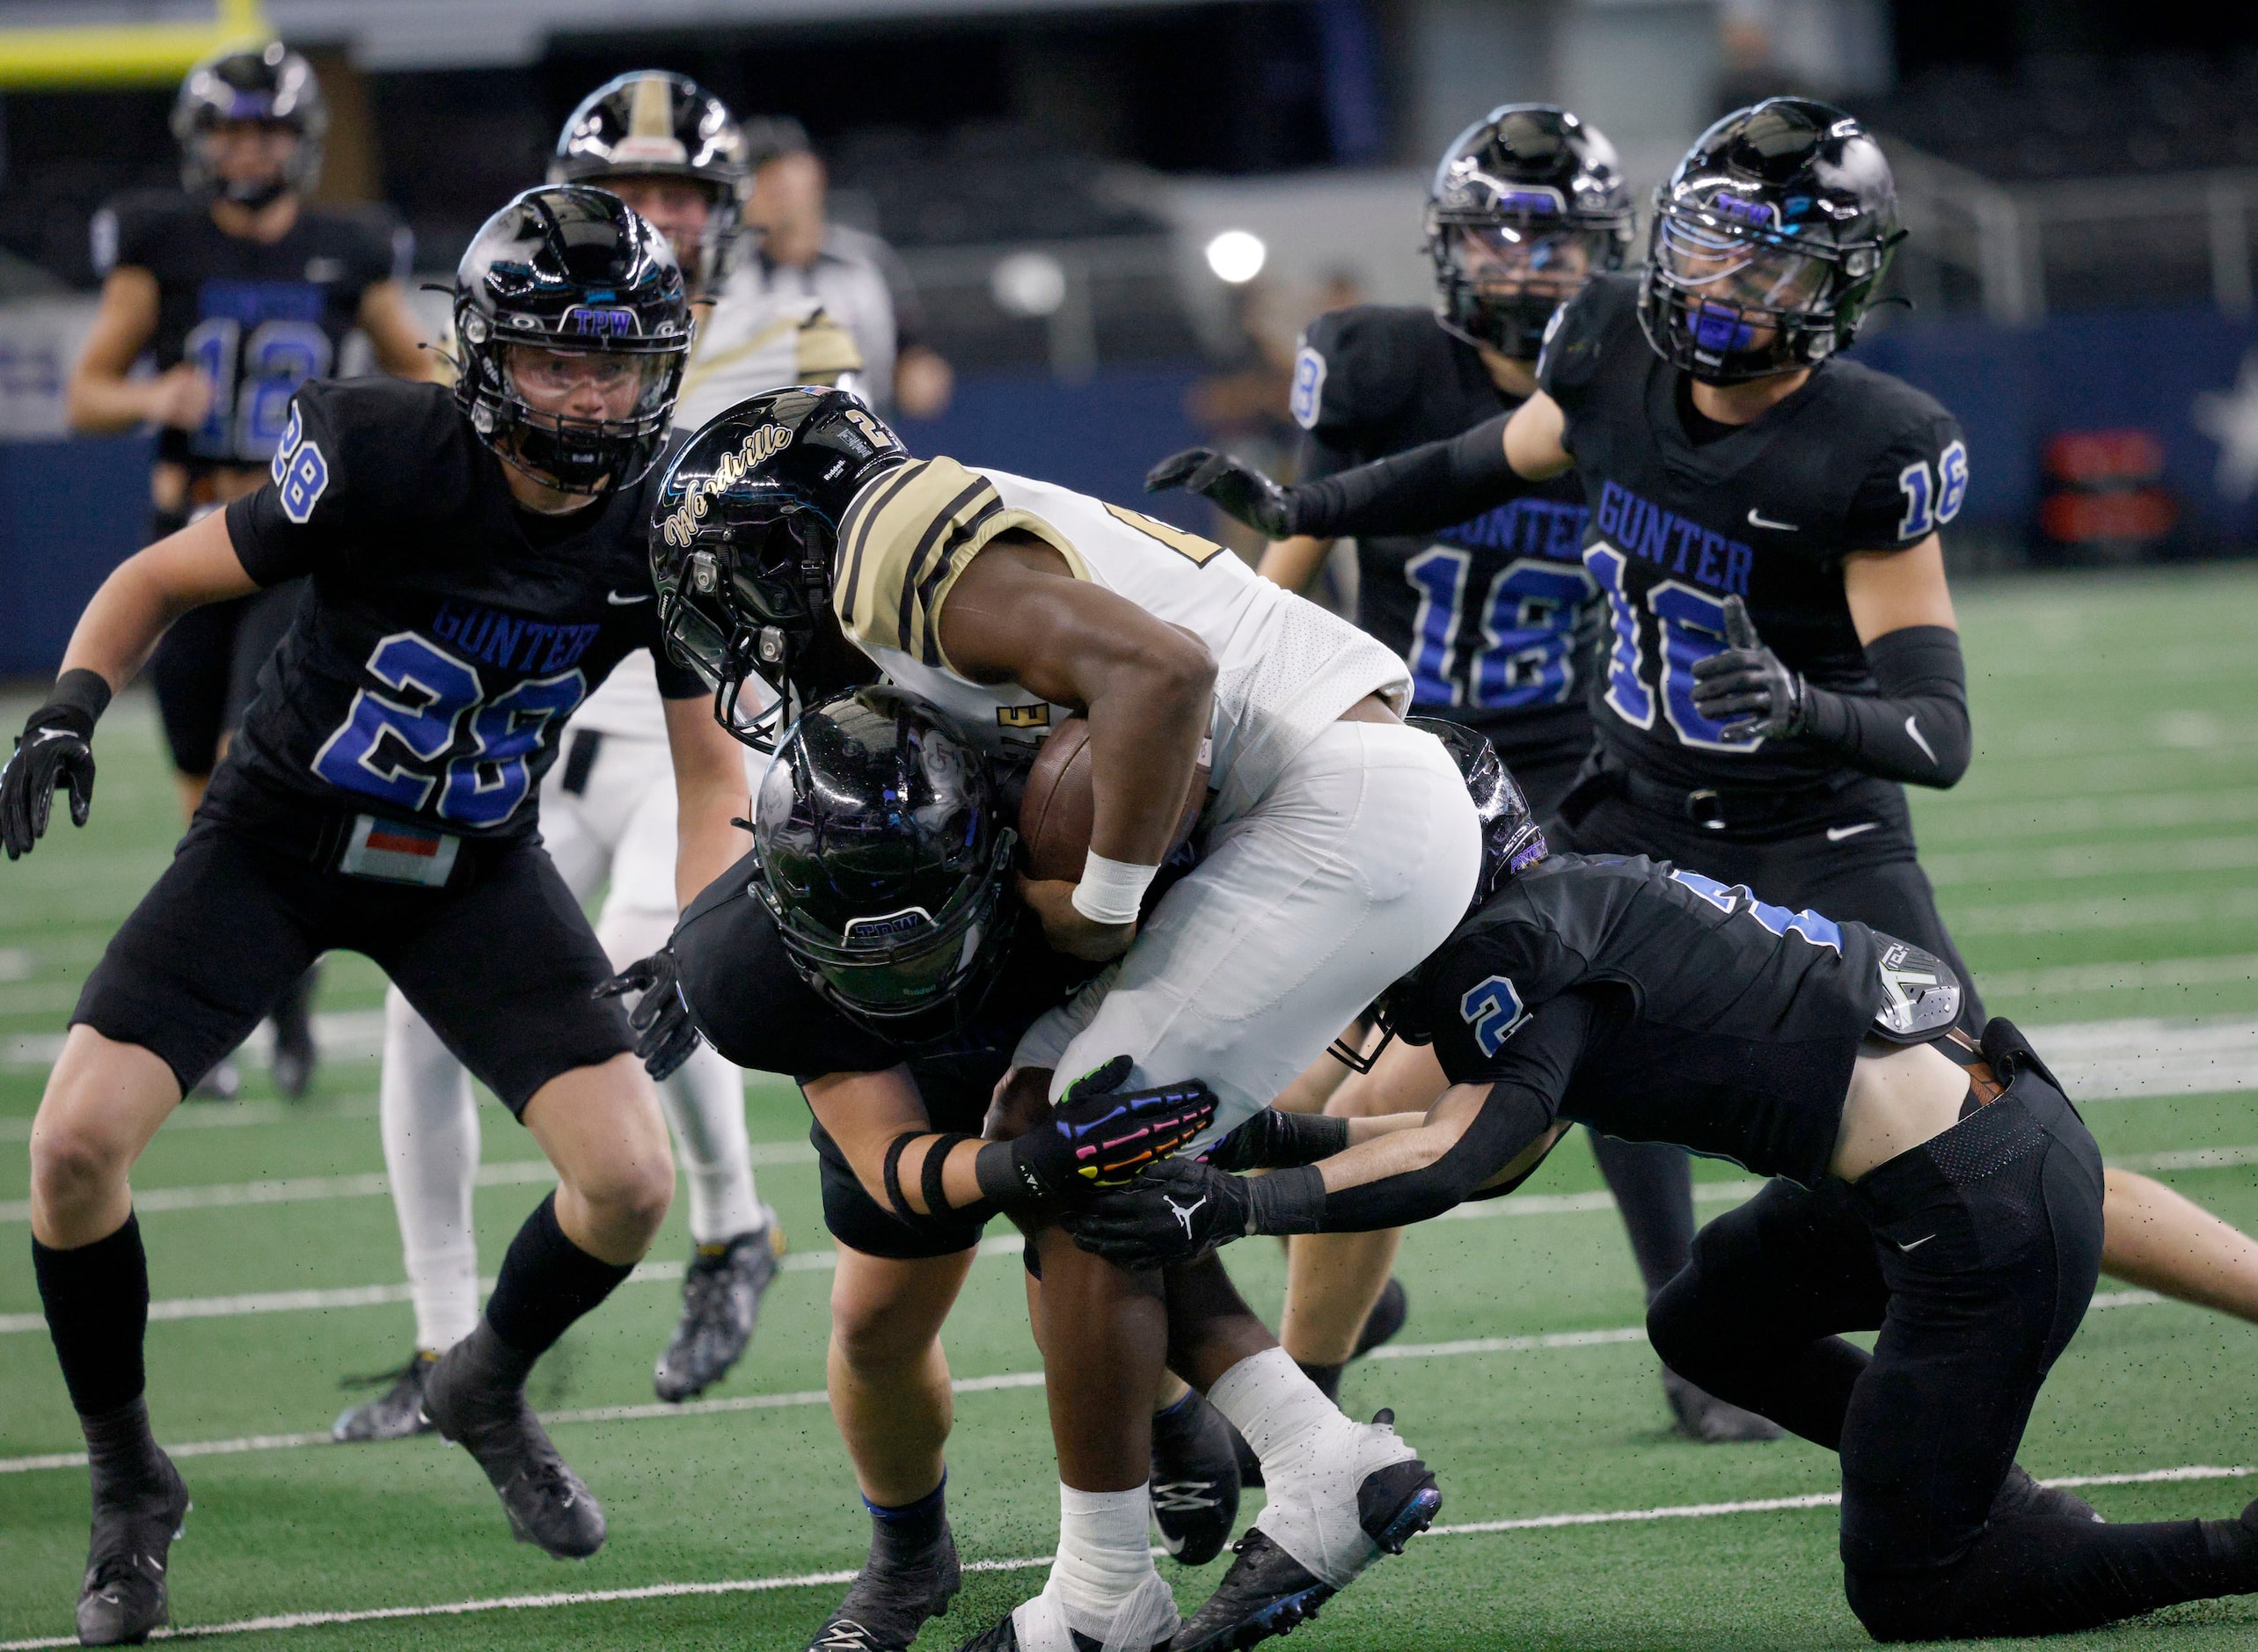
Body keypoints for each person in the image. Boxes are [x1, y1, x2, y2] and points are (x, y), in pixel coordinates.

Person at [3, 185, 749, 1646]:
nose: (593, 392)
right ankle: (127, 1482)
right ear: (483, 357)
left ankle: (481, 1376)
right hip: (279, 838)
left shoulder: (660, 523)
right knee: (73, 1144)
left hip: (470, 861)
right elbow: (160, 574)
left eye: (618, 360)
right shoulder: (378, 448)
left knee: (630, 1182)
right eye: (557, 358)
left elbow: (710, 764)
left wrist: (692, 924)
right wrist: (72, 707)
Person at [646, 388, 1478, 1651]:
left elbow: (1162, 673)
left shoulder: (887, 549)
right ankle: (1298, 1458)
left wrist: (1102, 900)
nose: (743, 640)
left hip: (1329, 813)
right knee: (1059, 1122)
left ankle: (1107, 1597)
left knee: (1083, 1131)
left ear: (782, 547)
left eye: (733, 593)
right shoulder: (935, 562)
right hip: (1329, 809)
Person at [1064, 796, 2258, 1643]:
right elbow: (1495, 1149)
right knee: (1706, 1321)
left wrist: (1224, 1202)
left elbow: (1457, 1156)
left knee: (1911, 1589)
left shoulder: (1524, 946)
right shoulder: (1563, 908)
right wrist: (1272, 1142)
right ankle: (1954, 1471)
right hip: (1940, 1164)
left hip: (1977, 1205)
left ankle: (2230, 1544)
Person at [1227, 104, 1767, 1440]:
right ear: (1446, 246)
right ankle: (1334, 1299)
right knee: (1279, 1066)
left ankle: (1686, 1340)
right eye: (1497, 234)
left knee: (1603, 1029)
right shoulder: (1376, 366)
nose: (1525, 265)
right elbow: (1288, 562)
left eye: (1553, 240)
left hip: (1571, 766)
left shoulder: (1629, 376)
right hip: (1397, 762)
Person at [334, 68, 839, 1444]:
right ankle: (442, 1337)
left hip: (707, 723)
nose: (659, 219)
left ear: (724, 212)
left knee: (637, 978)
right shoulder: (538, 336)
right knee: (414, 1008)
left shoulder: (796, 336)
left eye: (684, 193)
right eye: (629, 193)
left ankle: (733, 1227)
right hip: (542, 726)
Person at [639, 683, 1244, 1652]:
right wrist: (1027, 1167)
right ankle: (909, 1554)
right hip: (891, 1067)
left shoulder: (1072, 837)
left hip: (1067, 994)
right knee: (875, 1323)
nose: (895, 981)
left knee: (1087, 1261)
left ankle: (1168, 1408)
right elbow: (890, 1163)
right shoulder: (747, 963)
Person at [65, 42, 435, 1101]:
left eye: (266, 129)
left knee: (247, 763)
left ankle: (277, 1019)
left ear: (300, 141)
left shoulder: (348, 248)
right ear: (201, 142)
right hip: (191, 536)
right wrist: (151, 399)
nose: (248, 147)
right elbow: (87, 392)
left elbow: (417, 369)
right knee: (202, 803)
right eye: (231, 128)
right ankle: (255, 1004)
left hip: (296, 542)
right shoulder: (162, 245)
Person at [731, 115, 954, 418]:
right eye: (761, 174)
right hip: (760, 448)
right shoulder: (726, 277)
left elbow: (913, 356)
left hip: (865, 443)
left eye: (785, 169)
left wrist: (918, 377)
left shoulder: (866, 262)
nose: (777, 185)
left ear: (815, 173)